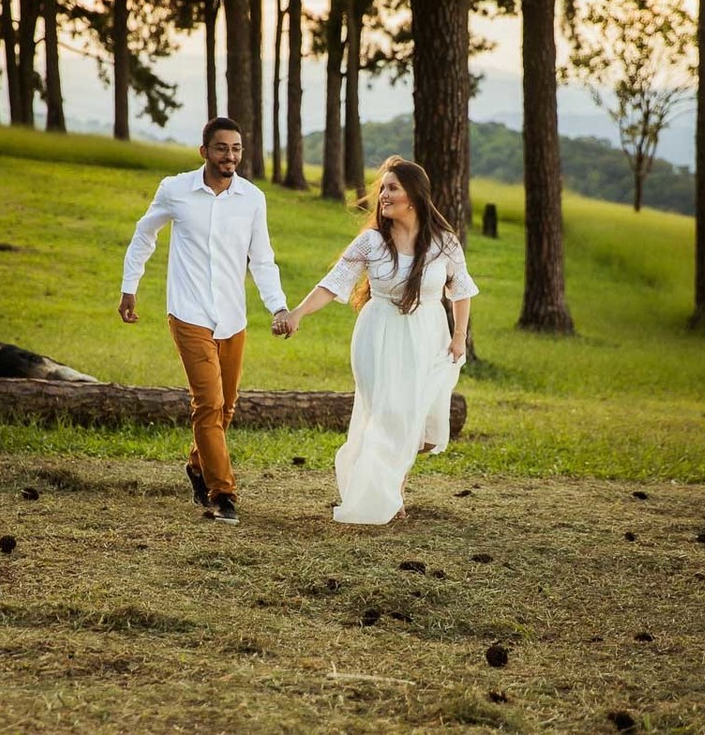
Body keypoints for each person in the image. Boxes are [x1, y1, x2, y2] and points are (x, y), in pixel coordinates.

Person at [276, 156, 479, 524]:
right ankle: (389, 495)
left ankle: (393, 482)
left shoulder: (444, 244)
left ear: (413, 198)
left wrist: (459, 337)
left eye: (392, 188)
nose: (383, 195)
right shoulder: (371, 241)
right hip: (377, 333)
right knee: (384, 413)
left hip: (427, 335)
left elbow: (461, 290)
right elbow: (332, 282)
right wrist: (297, 314)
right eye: (382, 188)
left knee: (415, 420)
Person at [119, 117, 290, 525]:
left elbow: (262, 259)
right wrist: (130, 287)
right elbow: (145, 235)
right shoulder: (175, 190)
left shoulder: (252, 198)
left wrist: (278, 306)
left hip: (232, 317)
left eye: (236, 148)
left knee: (226, 407)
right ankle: (222, 493)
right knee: (209, 404)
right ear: (204, 152)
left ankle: (197, 466)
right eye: (221, 148)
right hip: (189, 313)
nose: (229, 156)